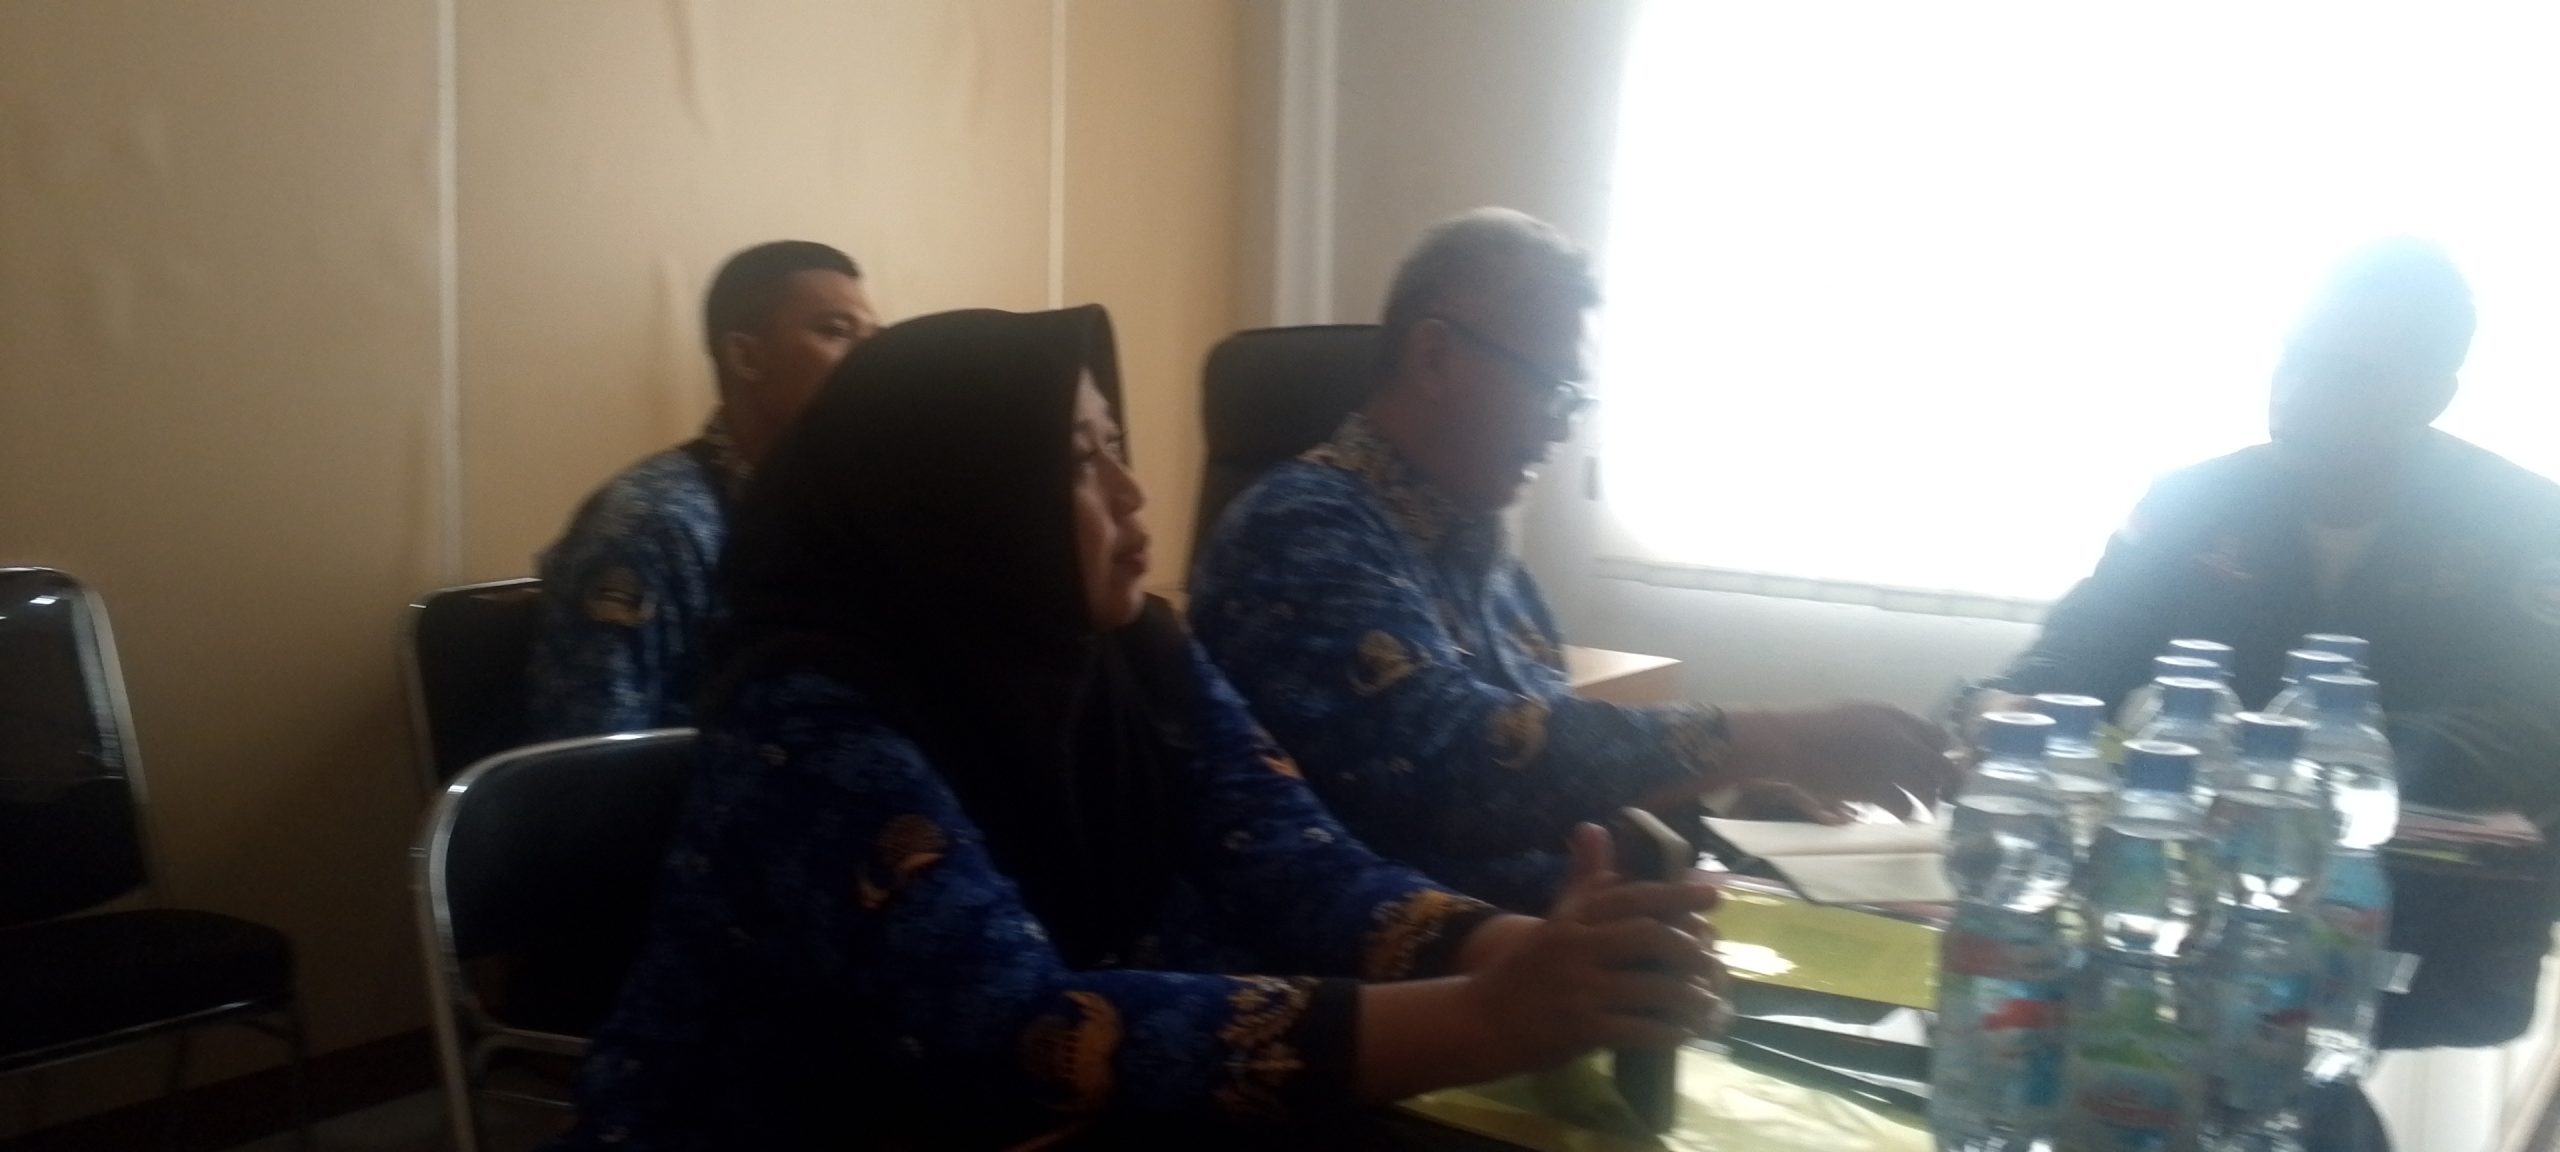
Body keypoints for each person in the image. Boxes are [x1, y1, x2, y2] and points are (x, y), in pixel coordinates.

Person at [554, 306, 1726, 1149]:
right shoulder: (805, 722)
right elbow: (1022, 1033)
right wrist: (1483, 1018)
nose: (1131, 492)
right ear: (961, 506)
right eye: (1078, 462)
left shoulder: (1134, 654)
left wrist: (1508, 951)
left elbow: (1298, 861)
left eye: (1117, 445)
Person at [1188, 209, 1958, 912]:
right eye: (1549, 388)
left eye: (1574, 401)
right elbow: (1465, 770)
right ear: (1434, 358)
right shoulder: (1300, 530)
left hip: (1545, 955)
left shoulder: (1486, 559)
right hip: (1392, 985)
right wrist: (1783, 739)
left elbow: (1559, 788)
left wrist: (1727, 810)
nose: (1561, 430)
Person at [1984, 237, 2560, 1050]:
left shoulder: (2527, 525)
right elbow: (2083, 648)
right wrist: (2006, 705)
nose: (2297, 393)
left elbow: (2531, 729)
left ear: (2433, 395)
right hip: (2186, 906)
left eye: (2347, 374)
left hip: (2429, 926)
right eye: (2293, 360)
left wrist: (2295, 766)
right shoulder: (2195, 499)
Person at [524, 240, 880, 740]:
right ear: (745, 356)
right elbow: (590, 759)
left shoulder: (837, 510)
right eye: (836, 332)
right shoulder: (652, 525)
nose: (868, 360)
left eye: (874, 340)